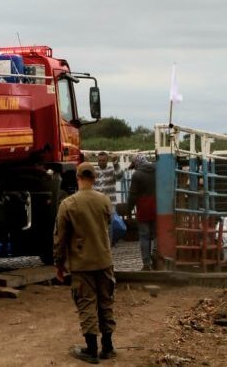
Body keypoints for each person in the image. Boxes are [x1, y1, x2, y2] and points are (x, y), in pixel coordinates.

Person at [54, 162, 116, 364]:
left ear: (78, 178)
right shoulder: (104, 200)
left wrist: (59, 264)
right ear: (95, 178)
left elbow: (60, 238)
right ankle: (107, 347)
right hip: (104, 261)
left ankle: (91, 349)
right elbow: (107, 224)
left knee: (86, 303)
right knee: (105, 302)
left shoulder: (68, 204)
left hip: (82, 264)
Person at [124, 153, 157, 271]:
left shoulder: (137, 175)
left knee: (144, 236)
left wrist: (128, 210)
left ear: (136, 163)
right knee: (157, 235)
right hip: (158, 207)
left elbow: (132, 195)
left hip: (143, 208)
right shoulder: (157, 169)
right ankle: (157, 257)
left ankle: (146, 263)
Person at [93, 152, 125, 246]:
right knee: (96, 224)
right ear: (97, 161)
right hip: (96, 203)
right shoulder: (94, 171)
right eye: (99, 160)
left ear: (107, 161)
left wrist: (115, 163)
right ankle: (98, 244)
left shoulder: (112, 170)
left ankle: (109, 244)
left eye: (103, 160)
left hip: (110, 203)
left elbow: (120, 177)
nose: (101, 162)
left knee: (110, 225)